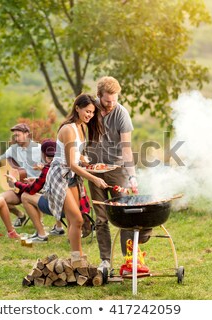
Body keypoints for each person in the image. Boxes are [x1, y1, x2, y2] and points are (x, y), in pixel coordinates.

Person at [85, 76, 149, 273]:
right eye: (107, 100)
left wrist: (132, 176)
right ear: (99, 97)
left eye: (114, 99)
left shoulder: (121, 113)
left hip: (117, 170)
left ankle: (129, 260)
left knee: (124, 215)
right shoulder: (90, 111)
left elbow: (126, 148)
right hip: (94, 171)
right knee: (101, 218)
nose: (111, 104)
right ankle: (105, 260)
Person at [41, 93, 108, 263]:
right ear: (77, 108)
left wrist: (88, 163)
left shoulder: (81, 127)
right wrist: (94, 178)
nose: (90, 115)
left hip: (72, 177)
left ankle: (77, 256)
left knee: (74, 220)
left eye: (92, 112)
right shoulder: (68, 129)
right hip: (60, 176)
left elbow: (77, 156)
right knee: (78, 219)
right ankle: (78, 259)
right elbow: (71, 163)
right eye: (87, 111)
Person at [8, 139, 64, 243]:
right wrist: (36, 179)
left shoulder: (48, 168)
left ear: (43, 154)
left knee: (25, 196)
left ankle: (41, 235)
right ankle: (58, 228)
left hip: (59, 208)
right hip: (74, 207)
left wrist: (16, 182)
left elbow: (31, 190)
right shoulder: (64, 164)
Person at [0, 123, 42, 227]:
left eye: (18, 135)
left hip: (35, 188)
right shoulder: (13, 149)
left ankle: (39, 222)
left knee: (30, 196)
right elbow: (2, 158)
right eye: (14, 136)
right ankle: (20, 215)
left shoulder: (39, 149)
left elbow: (48, 167)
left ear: (27, 134)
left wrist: (41, 168)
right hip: (19, 187)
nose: (16, 138)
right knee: (1, 199)